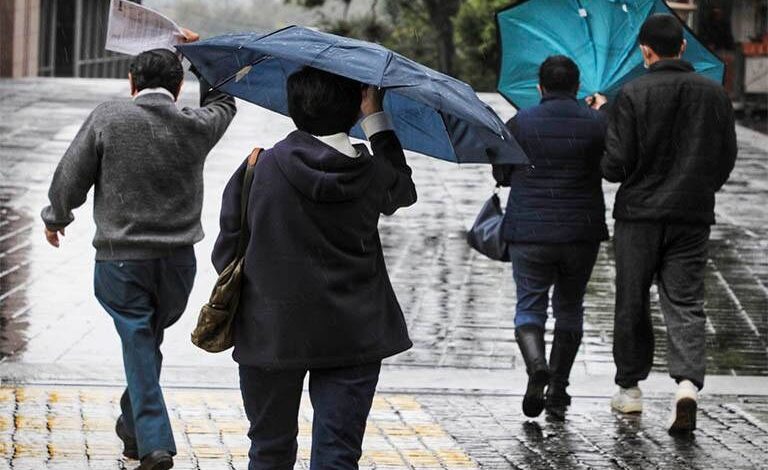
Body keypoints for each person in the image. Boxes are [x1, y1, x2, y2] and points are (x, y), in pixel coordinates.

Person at [41, 33, 237, 469]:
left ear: (131, 81)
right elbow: (225, 104)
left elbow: (71, 175)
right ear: (178, 88)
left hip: (121, 262)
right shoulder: (195, 125)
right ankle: (131, 430)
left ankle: (154, 443)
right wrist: (204, 60)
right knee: (146, 342)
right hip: (178, 267)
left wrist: (56, 217)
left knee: (139, 340)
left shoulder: (108, 117)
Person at [211, 67, 416, 469]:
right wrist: (376, 118)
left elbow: (227, 253)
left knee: (269, 450)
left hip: (272, 331)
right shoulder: (373, 173)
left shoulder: (260, 167)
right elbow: (403, 190)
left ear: (293, 108)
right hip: (353, 333)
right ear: (355, 109)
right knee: (337, 454)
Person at [603, 14, 737, 434]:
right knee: (685, 301)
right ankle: (685, 386)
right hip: (692, 215)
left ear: (646, 51)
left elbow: (614, 166)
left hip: (638, 216)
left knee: (631, 300)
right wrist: (698, 188)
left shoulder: (631, 94)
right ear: (682, 49)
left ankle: (629, 390)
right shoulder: (714, 94)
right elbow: (726, 156)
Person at [493, 55, 609, 421]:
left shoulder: (521, 123)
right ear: (577, 87)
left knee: (529, 306)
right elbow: (612, 165)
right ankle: (558, 389)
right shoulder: (596, 123)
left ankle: (536, 367)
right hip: (580, 232)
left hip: (529, 232)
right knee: (570, 308)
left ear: (540, 88)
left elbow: (502, 173)